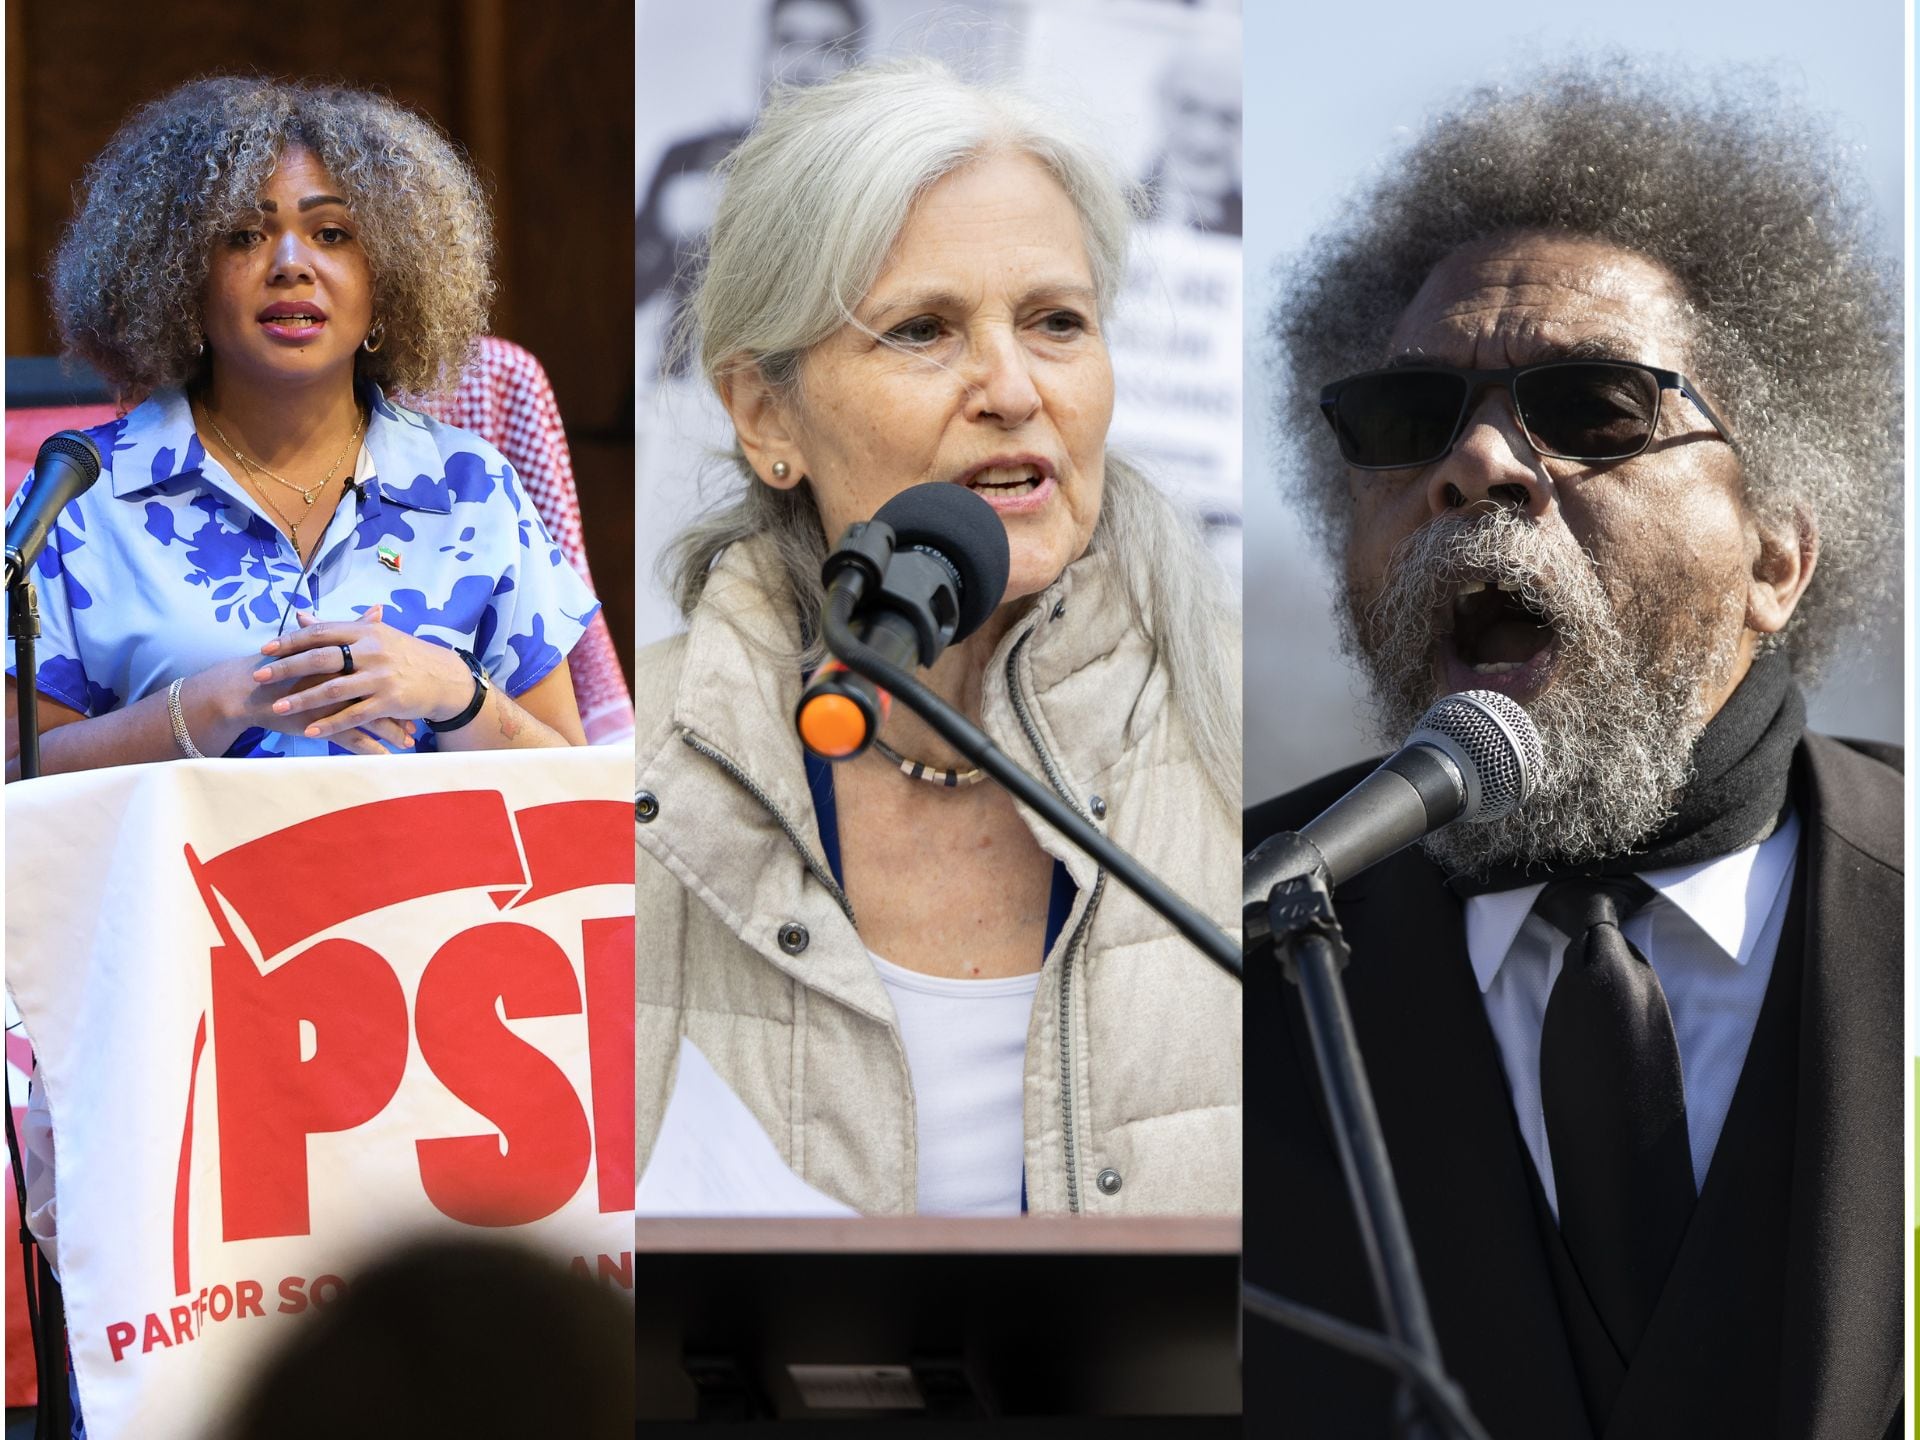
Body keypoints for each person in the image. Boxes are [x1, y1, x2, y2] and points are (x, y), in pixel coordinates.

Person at [1243, 64, 1901, 1438]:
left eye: (1595, 407)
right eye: (1406, 421)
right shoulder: (1215, 938)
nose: (1477, 464)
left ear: (1779, 549)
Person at [636, 59, 1241, 1216]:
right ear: (767, 415)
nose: (1012, 388)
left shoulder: (1245, 747)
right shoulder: (634, 773)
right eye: (922, 330)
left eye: (1056, 322)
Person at [4, 76, 598, 780]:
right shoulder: (80, 499)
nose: (291, 265)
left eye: (332, 234)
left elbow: (572, 784)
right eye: (246, 235)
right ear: (180, 277)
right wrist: (213, 704)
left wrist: (452, 692)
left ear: (391, 277)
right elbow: (20, 775)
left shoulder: (473, 488)